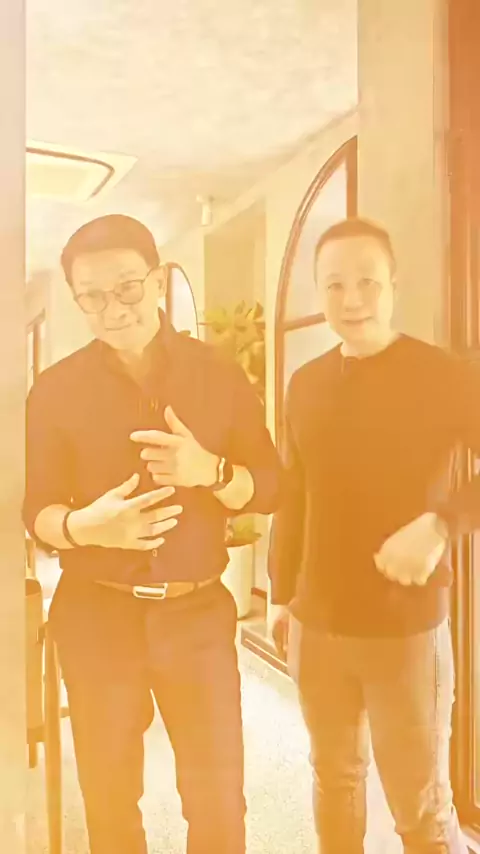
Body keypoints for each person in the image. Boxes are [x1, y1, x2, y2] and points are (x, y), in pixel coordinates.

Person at [24, 214, 283, 854]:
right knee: (110, 803)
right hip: (95, 616)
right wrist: (83, 526)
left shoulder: (217, 374)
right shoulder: (55, 390)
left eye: (127, 287)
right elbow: (36, 509)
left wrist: (211, 471)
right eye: (92, 296)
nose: (113, 309)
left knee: (218, 803)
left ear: (159, 280)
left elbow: (272, 486)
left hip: (196, 616)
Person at [268, 217, 479, 854]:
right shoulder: (305, 384)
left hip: (405, 628)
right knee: (334, 779)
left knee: (420, 807)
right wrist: (281, 595)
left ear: (393, 284)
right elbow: (293, 495)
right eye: (334, 284)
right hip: (318, 624)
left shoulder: (444, 374)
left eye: (367, 281)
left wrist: (442, 523)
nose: (351, 299)